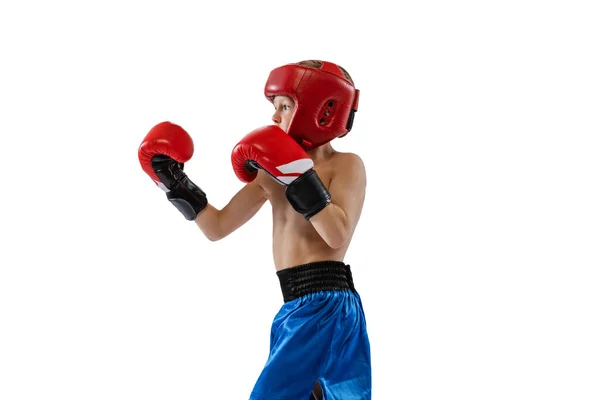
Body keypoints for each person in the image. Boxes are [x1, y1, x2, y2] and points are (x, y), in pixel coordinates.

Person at [138, 60, 371, 399]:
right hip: (294, 306)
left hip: (326, 304)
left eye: (285, 105)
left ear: (323, 110)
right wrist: (173, 181)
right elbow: (217, 226)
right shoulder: (269, 174)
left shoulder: (346, 164)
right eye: (273, 107)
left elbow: (336, 234)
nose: (275, 116)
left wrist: (299, 177)